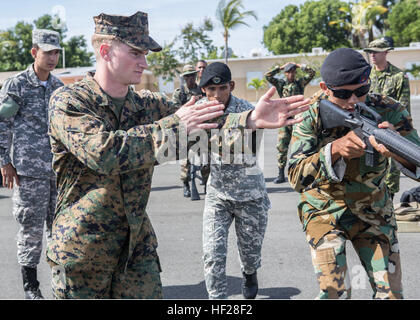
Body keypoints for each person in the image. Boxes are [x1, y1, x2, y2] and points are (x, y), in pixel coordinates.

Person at [46, 11, 310, 299]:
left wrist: (248, 118)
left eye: (145, 54)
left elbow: (203, 115)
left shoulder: (144, 104)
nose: (144, 62)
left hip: (135, 248)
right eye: (135, 52)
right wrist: (176, 126)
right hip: (83, 251)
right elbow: (105, 152)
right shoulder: (69, 101)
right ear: (106, 51)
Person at [288, 48, 420, 299]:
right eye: (342, 94)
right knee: (335, 292)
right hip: (324, 210)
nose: (353, 101)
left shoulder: (390, 110)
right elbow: (295, 175)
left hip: (375, 211)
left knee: (391, 294)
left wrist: (396, 149)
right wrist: (334, 151)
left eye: (361, 91)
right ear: (325, 87)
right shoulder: (311, 113)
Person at [0, 29, 63, 299]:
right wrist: (4, 160)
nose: (52, 57)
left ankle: (61, 284)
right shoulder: (17, 85)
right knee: (31, 230)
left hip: (58, 172)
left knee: (60, 228)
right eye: (47, 52)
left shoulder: (59, 87)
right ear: (34, 52)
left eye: (56, 52)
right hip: (29, 173)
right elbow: (2, 123)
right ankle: (31, 287)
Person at [199, 62, 270, 299]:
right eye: (211, 90)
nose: (217, 96)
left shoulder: (248, 112)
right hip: (218, 194)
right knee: (212, 253)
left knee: (250, 255)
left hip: (249, 194)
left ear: (232, 85)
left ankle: (249, 273)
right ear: (203, 91)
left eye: (222, 89)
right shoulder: (198, 111)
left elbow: (245, 150)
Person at [364, 38, 412, 201]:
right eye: (370, 52)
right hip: (368, 130)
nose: (372, 55)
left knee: (391, 174)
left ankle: (389, 204)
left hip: (391, 132)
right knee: (367, 173)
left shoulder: (399, 76)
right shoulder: (366, 75)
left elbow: (404, 109)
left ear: (386, 52)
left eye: (376, 52)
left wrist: (397, 130)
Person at [265, 62, 315, 183]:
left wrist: (299, 65)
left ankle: (304, 174)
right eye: (288, 72)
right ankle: (281, 174)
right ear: (285, 73)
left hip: (298, 118)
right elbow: (268, 76)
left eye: (293, 72)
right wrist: (280, 67)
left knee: (302, 147)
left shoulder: (300, 83)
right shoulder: (281, 84)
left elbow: (312, 73)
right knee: (282, 146)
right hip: (285, 119)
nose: (291, 74)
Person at [172, 64, 209, 198]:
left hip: (201, 129)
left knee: (205, 159)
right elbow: (175, 112)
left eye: (192, 75)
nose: (190, 78)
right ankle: (186, 185)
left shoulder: (202, 90)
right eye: (187, 76)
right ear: (184, 78)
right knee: (185, 161)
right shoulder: (179, 93)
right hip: (185, 130)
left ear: (195, 75)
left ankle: (206, 183)